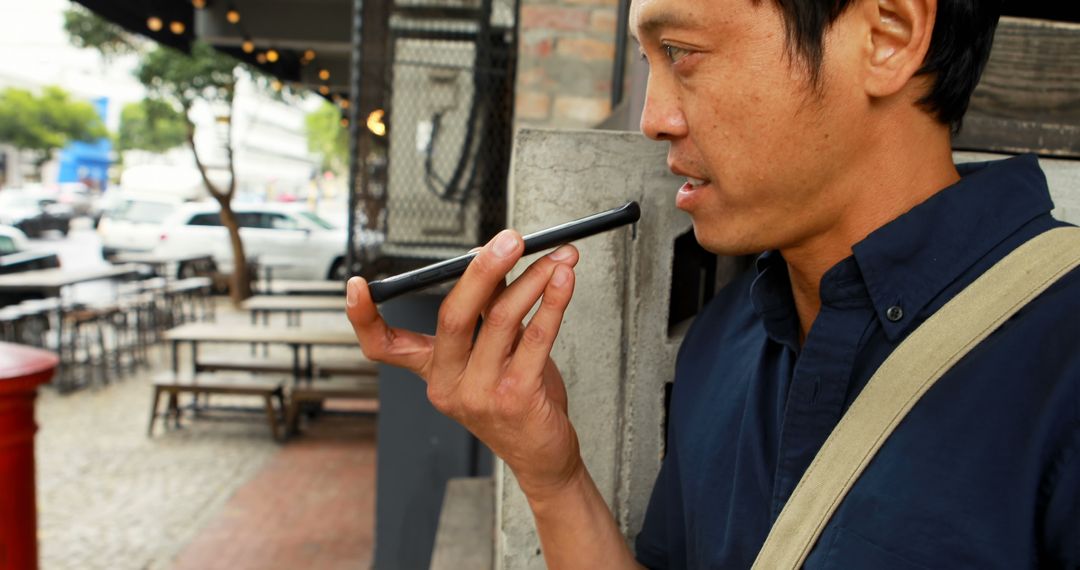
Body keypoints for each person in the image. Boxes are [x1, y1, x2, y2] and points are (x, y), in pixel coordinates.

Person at [346, 0, 1080, 566]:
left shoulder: (1061, 360)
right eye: (646, 62)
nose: (652, 119)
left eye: (682, 52)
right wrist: (552, 473)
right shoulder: (726, 339)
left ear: (885, 35)